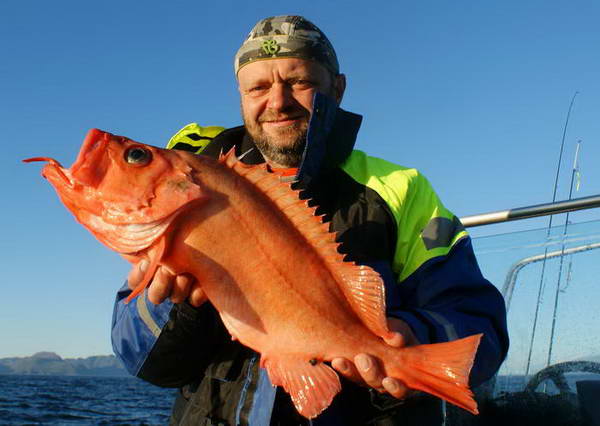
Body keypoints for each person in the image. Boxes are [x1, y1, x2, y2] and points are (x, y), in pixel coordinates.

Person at [111, 15, 509, 425]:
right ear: (242, 96)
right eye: (258, 87)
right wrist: (178, 309)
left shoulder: (401, 189)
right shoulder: (194, 188)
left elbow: (477, 318)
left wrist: (410, 335)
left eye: (300, 82)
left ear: (337, 88)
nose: (277, 101)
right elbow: (146, 363)